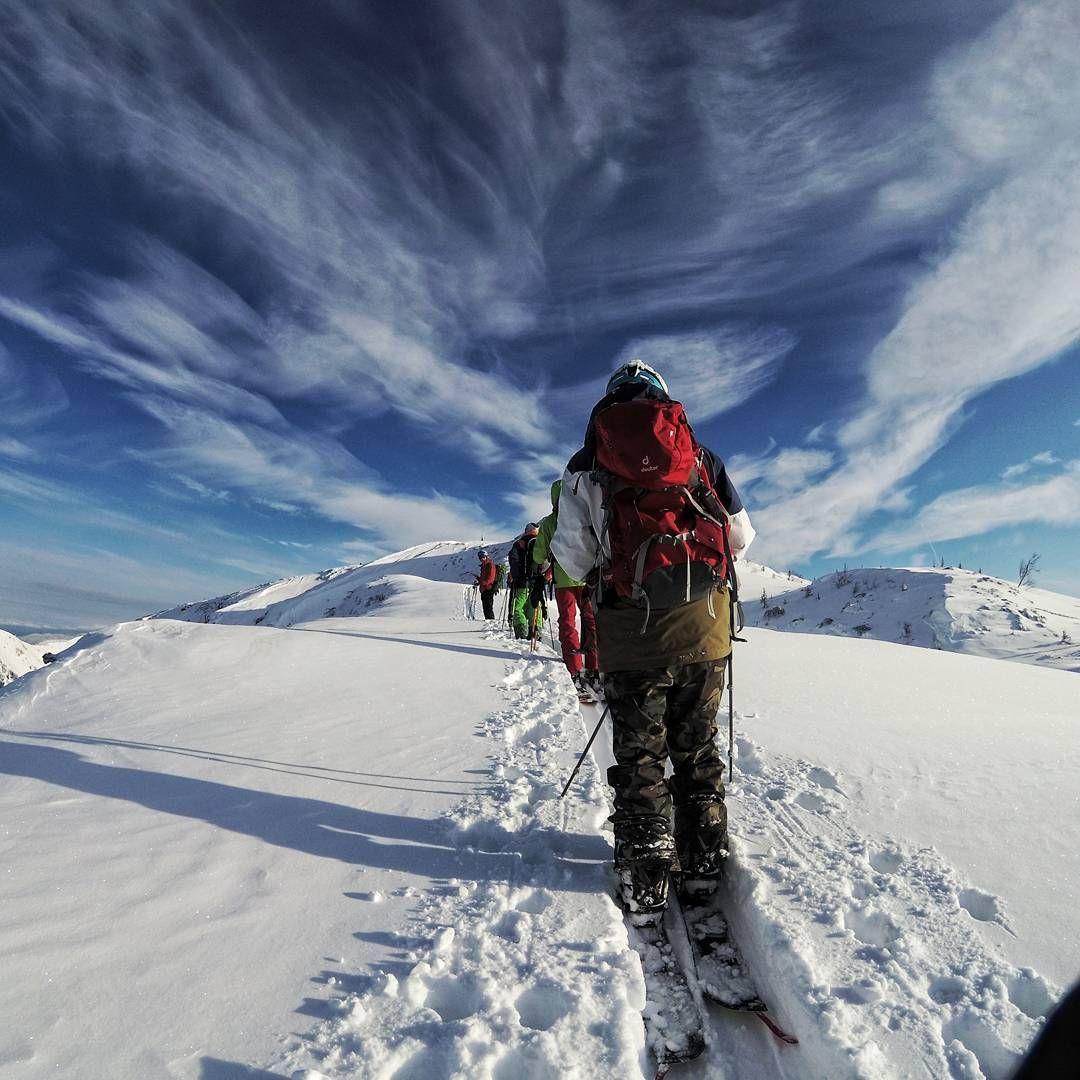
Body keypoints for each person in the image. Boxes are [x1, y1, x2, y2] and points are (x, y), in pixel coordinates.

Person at [551, 359, 755, 921]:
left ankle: (646, 880)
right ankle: (704, 863)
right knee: (697, 744)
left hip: (631, 635)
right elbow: (741, 536)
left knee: (641, 753)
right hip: (705, 629)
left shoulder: (586, 466)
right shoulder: (700, 456)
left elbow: (571, 556)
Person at [531, 479, 600, 695]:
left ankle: (574, 669)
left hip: (563, 580)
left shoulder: (550, 522)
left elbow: (539, 553)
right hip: (587, 578)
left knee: (568, 622)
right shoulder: (583, 515)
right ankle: (594, 667)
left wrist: (542, 567)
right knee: (591, 621)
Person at [507, 524, 544, 640]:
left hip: (522, 582)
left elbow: (513, 559)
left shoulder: (519, 543)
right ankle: (535, 630)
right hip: (536, 581)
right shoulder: (540, 542)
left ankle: (521, 631)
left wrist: (516, 576)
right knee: (534, 605)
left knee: (519, 607)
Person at [476, 548, 498, 620]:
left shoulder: (490, 565)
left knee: (488, 607)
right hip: (484, 589)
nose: (481, 559)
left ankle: (491, 621)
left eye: (482, 557)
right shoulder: (483, 565)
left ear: (486, 556)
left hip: (489, 588)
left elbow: (491, 578)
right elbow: (484, 577)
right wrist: (479, 580)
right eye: (480, 558)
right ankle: (488, 621)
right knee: (485, 607)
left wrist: (482, 582)